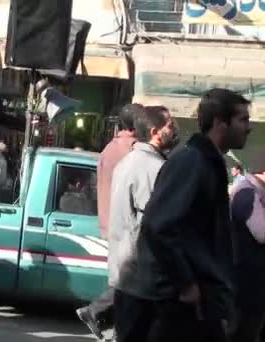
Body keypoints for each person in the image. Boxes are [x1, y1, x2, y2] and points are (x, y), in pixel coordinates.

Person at [135, 88, 251, 342]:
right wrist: (186, 284)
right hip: (181, 304)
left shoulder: (208, 162)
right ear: (221, 123)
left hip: (199, 301)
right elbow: (158, 225)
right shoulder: (192, 162)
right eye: (242, 119)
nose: (248, 127)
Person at [108, 106, 179, 342]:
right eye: (170, 125)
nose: (175, 130)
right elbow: (159, 225)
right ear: (154, 132)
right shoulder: (151, 168)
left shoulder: (132, 161)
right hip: (142, 279)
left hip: (128, 276)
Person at [76, 103, 143, 337]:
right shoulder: (131, 151)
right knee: (128, 277)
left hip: (110, 219)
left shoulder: (111, 147)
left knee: (124, 274)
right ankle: (96, 311)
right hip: (124, 221)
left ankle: (104, 318)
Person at [228, 159, 265, 342]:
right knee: (244, 326)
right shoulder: (247, 193)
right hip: (247, 273)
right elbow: (262, 233)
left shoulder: (253, 191)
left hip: (253, 272)